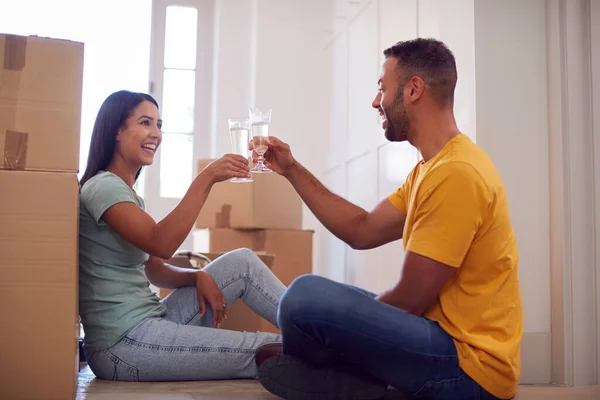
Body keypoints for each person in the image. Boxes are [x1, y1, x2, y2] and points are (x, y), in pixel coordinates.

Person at [254, 38, 523, 400]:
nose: (375, 101)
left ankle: (342, 375)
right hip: (440, 343)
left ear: (413, 89)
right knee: (309, 297)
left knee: (304, 298)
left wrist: (343, 329)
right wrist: (291, 169)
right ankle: (351, 380)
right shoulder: (430, 168)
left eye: (382, 88)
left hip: (467, 370)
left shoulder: (457, 172)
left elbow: (410, 299)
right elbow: (361, 229)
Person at [78, 90, 286, 382]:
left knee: (243, 262)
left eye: (159, 125)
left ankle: (321, 329)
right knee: (263, 348)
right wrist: (207, 177)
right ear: (116, 131)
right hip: (122, 344)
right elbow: (161, 243)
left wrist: (195, 276)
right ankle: (334, 349)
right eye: (145, 122)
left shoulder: (129, 197)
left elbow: (155, 269)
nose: (156, 134)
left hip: (151, 322)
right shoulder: (102, 187)